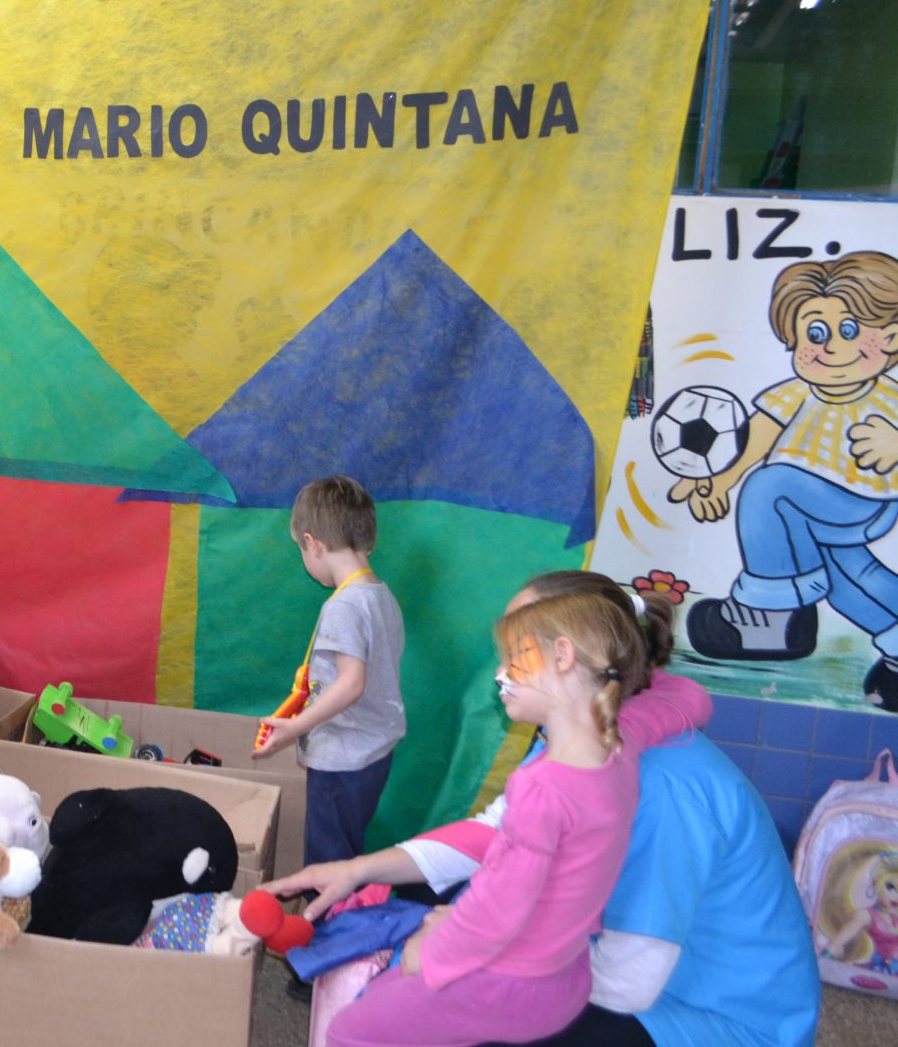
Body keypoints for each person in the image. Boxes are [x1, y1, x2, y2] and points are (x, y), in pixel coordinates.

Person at [267, 571, 820, 1047]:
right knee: (432, 906)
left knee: (470, 1007)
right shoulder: (589, 722)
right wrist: (360, 869)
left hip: (704, 1019)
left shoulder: (661, 786)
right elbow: (497, 830)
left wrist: (469, 953)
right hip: (618, 958)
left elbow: (630, 981)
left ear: (565, 656)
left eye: (518, 653)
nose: (501, 671)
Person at [666, 250, 898, 708]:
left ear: (891, 337)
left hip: (863, 501)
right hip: (811, 511)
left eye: (849, 330)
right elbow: (759, 435)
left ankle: (771, 618)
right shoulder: (796, 393)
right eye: (814, 333)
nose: (829, 347)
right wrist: (721, 480)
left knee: (770, 487)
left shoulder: (889, 397)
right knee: (847, 580)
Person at [253, 475, 406, 869]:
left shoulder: (344, 606)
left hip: (342, 757)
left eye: (301, 550)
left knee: (327, 864)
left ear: (313, 544)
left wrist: (296, 726)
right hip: (373, 752)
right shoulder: (382, 596)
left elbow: (352, 683)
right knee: (346, 850)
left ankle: (326, 911)